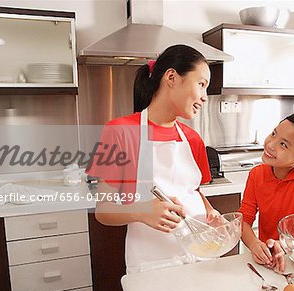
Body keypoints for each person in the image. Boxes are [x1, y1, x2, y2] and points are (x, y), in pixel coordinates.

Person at [87, 44, 221, 274]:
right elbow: (104, 210)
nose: (205, 97)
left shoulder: (192, 138)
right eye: (201, 84)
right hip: (153, 263)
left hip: (200, 256)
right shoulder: (119, 132)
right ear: (171, 77)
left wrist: (211, 213)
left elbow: (193, 190)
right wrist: (142, 211)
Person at [238, 113, 294, 272]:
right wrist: (255, 244)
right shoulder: (256, 174)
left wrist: (285, 245)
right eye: (274, 133)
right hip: (269, 260)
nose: (271, 144)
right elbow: (243, 221)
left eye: (283, 144)